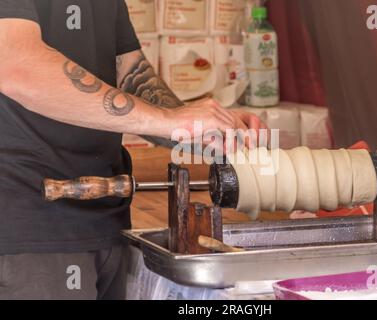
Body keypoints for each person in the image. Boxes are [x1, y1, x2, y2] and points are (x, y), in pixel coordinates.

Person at [0, 0, 265, 300]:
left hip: (108, 217)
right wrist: (170, 120)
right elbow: (18, 65)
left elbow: (130, 76)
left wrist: (201, 133)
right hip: (32, 230)